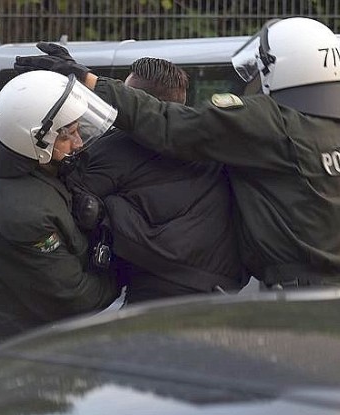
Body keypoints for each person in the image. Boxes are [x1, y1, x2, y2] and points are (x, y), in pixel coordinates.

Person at [15, 17, 340, 288]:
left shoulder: (273, 123)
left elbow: (169, 124)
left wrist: (89, 81)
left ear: (277, 67)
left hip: (304, 301)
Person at [0, 70, 119, 362]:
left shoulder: (14, 169)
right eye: (69, 134)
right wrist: (124, 271)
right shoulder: (23, 213)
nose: (79, 143)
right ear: (35, 140)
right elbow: (73, 298)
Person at [66, 57, 247, 303]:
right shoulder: (209, 142)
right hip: (224, 291)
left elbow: (70, 198)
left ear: (132, 104)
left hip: (158, 293)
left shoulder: (118, 147)